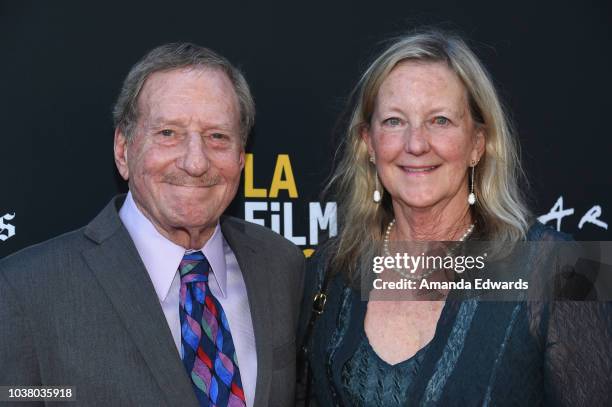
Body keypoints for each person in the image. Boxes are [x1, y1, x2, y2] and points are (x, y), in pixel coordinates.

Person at [298, 30, 612, 406]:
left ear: (478, 144)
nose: (416, 144)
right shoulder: (332, 268)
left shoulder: (562, 270)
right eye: (394, 121)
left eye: (440, 120)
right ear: (368, 142)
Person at [0, 43, 304, 407]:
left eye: (217, 137)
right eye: (168, 133)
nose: (195, 162)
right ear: (123, 150)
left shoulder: (280, 263)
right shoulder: (25, 290)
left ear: (241, 157)